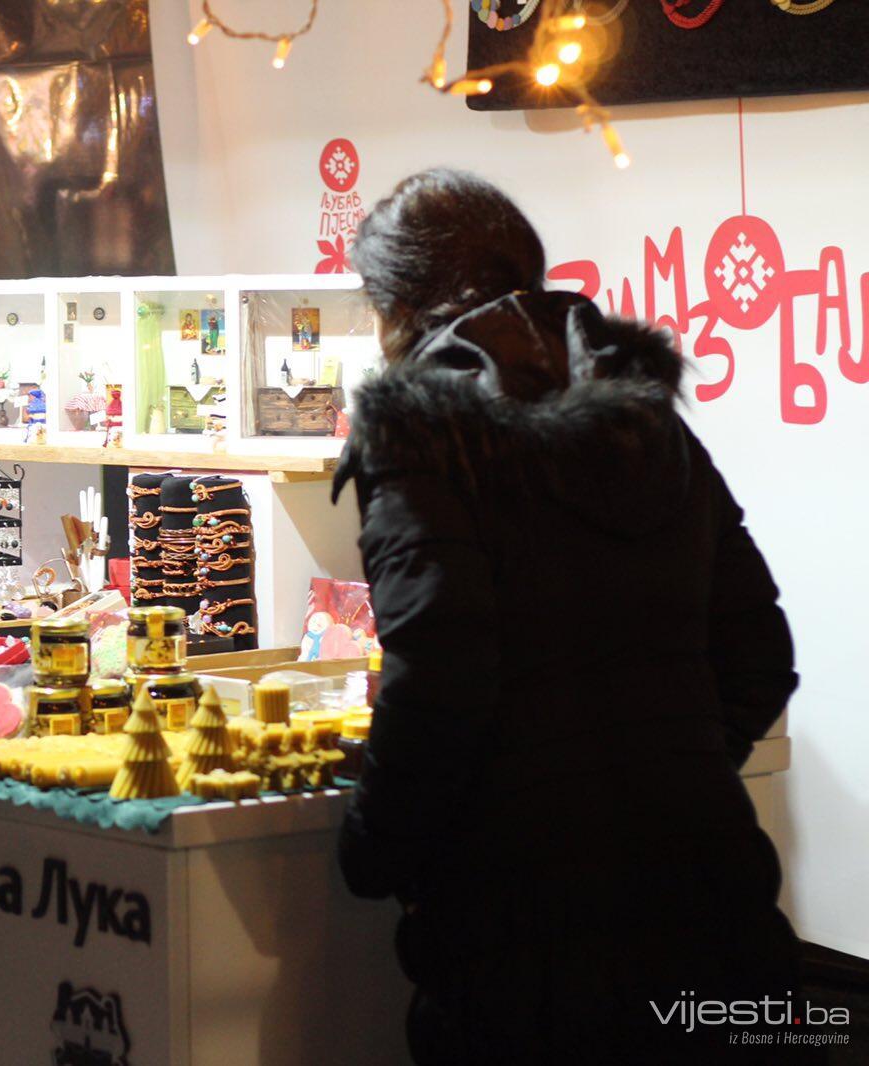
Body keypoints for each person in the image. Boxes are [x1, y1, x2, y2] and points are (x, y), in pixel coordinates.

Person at [334, 170, 802, 1065]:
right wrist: (664, 769)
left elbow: (439, 679)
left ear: (398, 308)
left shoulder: (424, 437)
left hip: (524, 946)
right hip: (711, 905)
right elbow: (759, 653)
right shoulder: (647, 421)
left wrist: (372, 850)